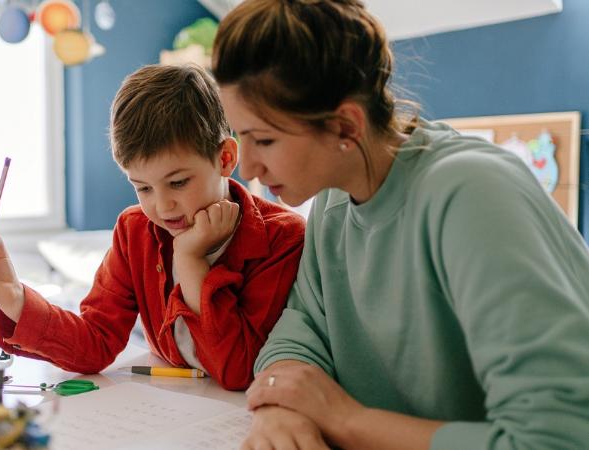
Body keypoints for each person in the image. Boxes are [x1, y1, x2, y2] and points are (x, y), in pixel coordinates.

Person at [212, 0, 589, 448]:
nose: (247, 165)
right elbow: (300, 329)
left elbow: (558, 438)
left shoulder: (472, 195)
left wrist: (345, 419)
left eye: (265, 140)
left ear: (346, 126)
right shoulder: (334, 200)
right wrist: (278, 409)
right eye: (242, 137)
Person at [0, 64, 306, 390]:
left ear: (225, 158)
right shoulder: (134, 230)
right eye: (143, 188)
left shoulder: (283, 238)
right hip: (169, 407)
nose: (162, 206)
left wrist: (190, 261)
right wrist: (12, 297)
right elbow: (96, 343)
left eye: (179, 182)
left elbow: (238, 371)